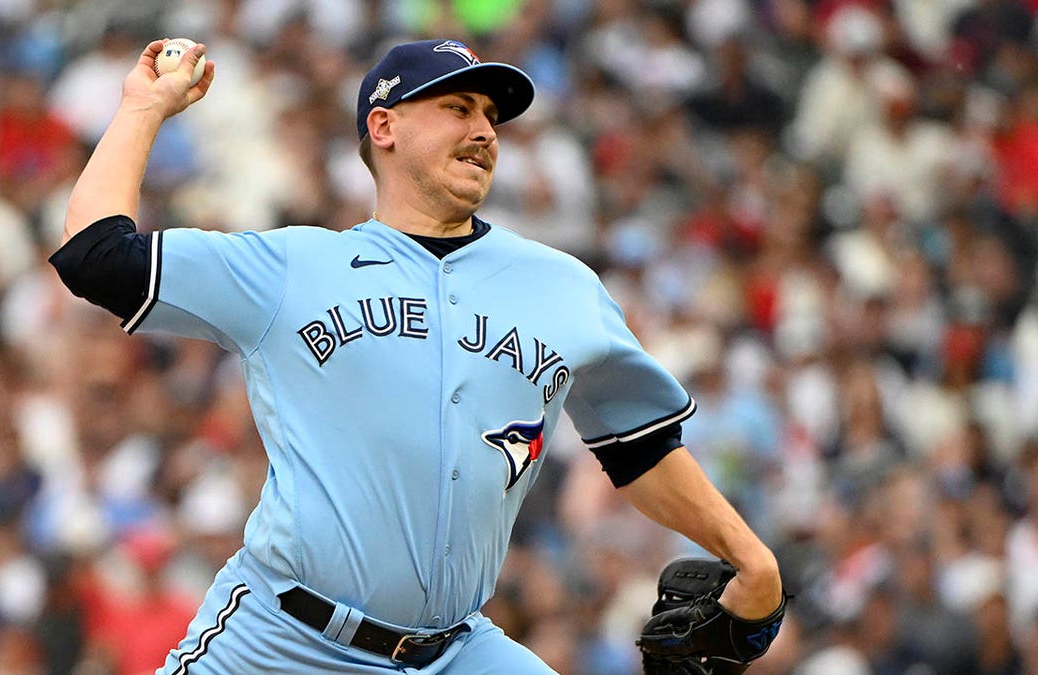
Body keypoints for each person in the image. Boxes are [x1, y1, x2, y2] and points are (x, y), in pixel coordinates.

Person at [49, 37, 783, 673]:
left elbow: (641, 446)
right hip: (282, 640)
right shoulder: (291, 268)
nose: (484, 131)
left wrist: (752, 556)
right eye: (458, 109)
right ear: (384, 125)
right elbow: (93, 255)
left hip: (456, 652)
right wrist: (142, 109)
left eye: (491, 117)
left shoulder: (561, 288)